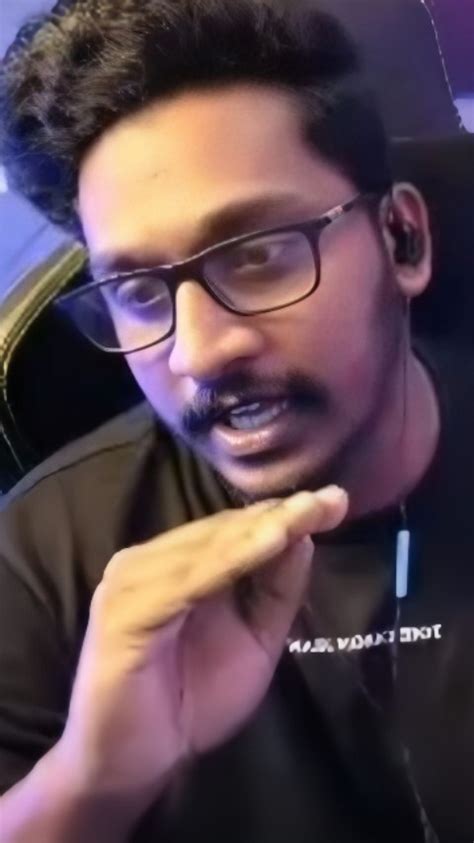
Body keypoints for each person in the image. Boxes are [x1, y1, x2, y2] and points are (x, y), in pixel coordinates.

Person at [0, 1, 472, 841]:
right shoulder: (42, 557)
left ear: (402, 238)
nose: (198, 352)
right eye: (138, 292)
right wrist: (92, 780)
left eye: (258, 255)